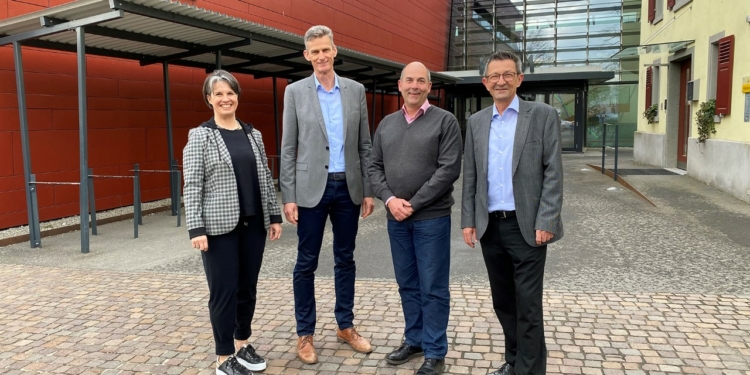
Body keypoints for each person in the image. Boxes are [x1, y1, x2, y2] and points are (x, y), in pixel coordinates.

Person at [461, 50, 564, 375]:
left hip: (529, 227)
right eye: (495, 76)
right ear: (485, 82)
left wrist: (546, 220)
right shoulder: (477, 122)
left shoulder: (543, 115)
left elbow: (553, 172)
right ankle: (515, 358)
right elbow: (471, 176)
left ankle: (529, 370)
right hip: (491, 227)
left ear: (519, 78)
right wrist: (468, 221)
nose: (501, 81)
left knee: (528, 306)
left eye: (508, 74)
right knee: (504, 302)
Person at [280, 25, 375, 364]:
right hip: (309, 190)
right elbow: (288, 146)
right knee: (306, 262)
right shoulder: (295, 92)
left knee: (345, 258)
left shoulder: (355, 91)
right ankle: (305, 334)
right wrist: (288, 195)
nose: (321, 56)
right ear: (306, 55)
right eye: (314, 51)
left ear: (335, 51)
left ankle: (345, 326)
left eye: (326, 49)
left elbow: (364, 144)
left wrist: (366, 189)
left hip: (347, 186)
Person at [183, 70, 283, 375]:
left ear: (237, 96)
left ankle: (242, 345)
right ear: (209, 100)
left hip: (253, 226)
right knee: (223, 291)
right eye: (218, 94)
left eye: (230, 93)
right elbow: (192, 184)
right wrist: (196, 228)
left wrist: (274, 215)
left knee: (247, 289)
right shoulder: (201, 135)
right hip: (218, 230)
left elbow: (265, 177)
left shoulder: (253, 134)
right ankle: (223, 356)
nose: (225, 99)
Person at [368, 62, 462, 375]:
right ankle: (415, 339)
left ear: (429, 87)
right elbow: (374, 167)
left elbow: (449, 169)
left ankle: (435, 352)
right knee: (407, 284)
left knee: (433, 286)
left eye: (421, 81)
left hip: (431, 219)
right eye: (409, 80)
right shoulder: (386, 124)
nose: (415, 86)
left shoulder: (445, 122)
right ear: (400, 84)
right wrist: (391, 200)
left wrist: (414, 203)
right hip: (396, 218)